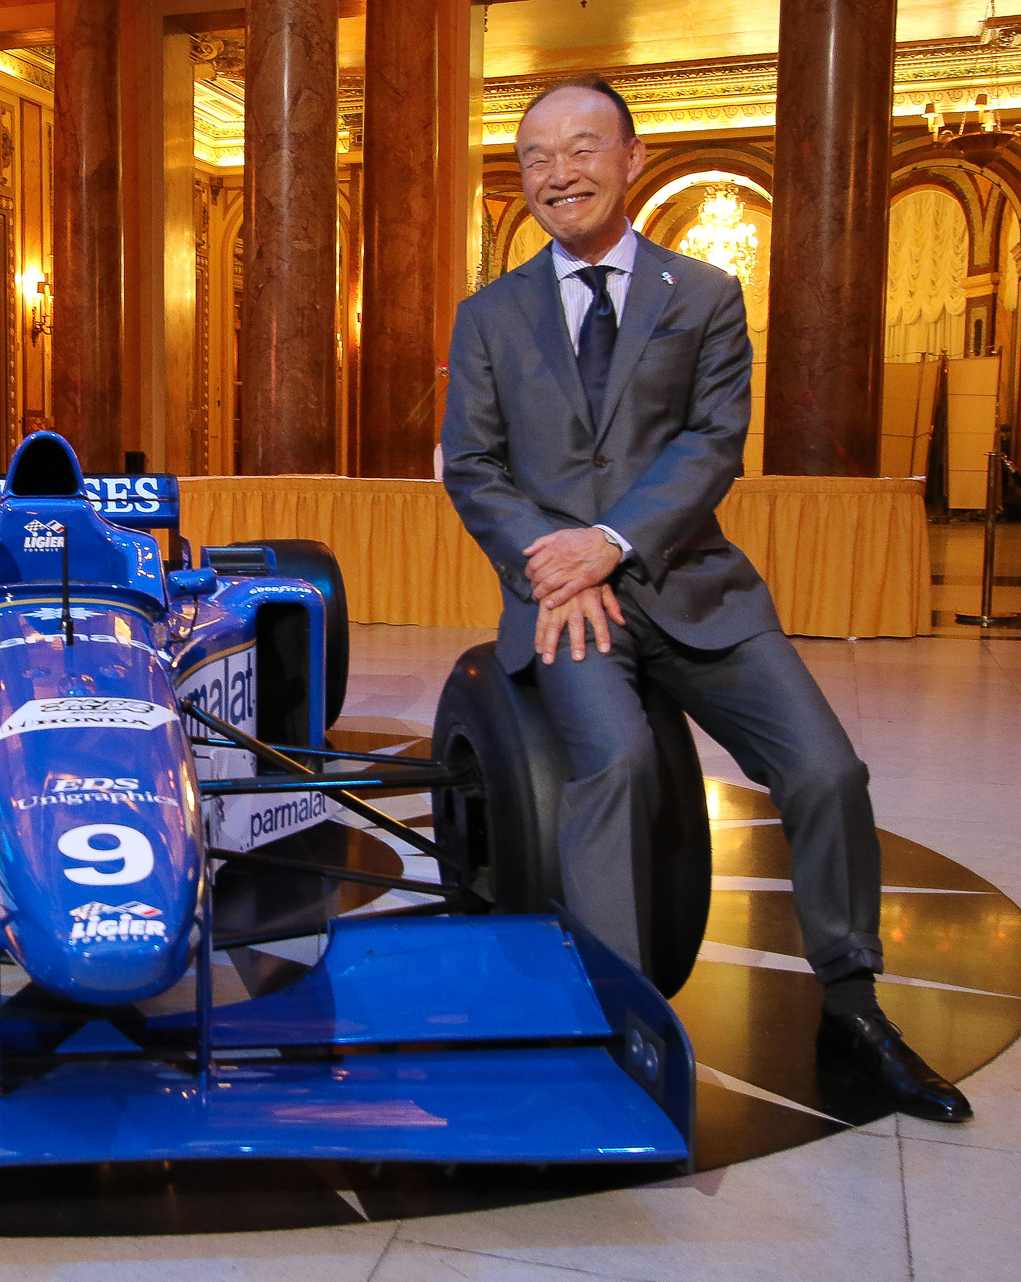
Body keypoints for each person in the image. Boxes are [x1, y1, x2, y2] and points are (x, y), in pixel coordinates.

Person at [442, 75, 970, 1124]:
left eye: (582, 148)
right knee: (617, 762)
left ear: (631, 158)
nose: (559, 173)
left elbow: (711, 442)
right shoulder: (489, 315)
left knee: (826, 768)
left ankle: (852, 1010)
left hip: (691, 582)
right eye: (536, 157)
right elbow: (474, 465)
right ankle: (619, 1018)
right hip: (569, 602)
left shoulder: (702, 293)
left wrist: (608, 541)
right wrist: (553, 561)